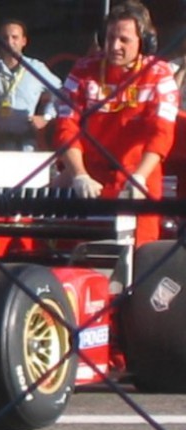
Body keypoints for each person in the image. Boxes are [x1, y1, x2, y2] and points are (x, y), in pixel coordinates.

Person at [54, 1, 178, 246]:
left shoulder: (159, 74)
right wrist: (79, 175)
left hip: (139, 180)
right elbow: (66, 125)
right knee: (74, 254)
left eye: (124, 40)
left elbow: (162, 132)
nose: (114, 46)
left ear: (144, 41)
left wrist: (139, 177)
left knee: (139, 258)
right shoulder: (83, 70)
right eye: (109, 38)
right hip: (91, 182)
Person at [0, 19, 62, 151]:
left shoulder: (36, 68)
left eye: (15, 37)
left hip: (27, 145)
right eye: (5, 37)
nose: (9, 42)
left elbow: (61, 93)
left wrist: (46, 117)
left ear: (24, 41)